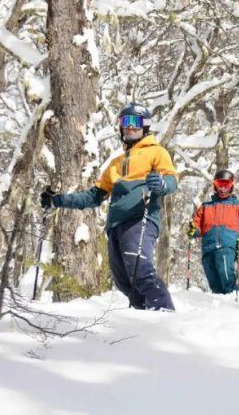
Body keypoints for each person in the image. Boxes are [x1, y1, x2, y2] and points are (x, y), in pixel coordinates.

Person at [40, 103, 177, 310]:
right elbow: (94, 196)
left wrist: (161, 183)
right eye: (125, 122)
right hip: (115, 225)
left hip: (140, 217)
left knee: (140, 270)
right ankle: (145, 320)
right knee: (125, 283)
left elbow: (171, 180)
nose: (129, 127)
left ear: (145, 126)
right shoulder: (116, 163)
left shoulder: (156, 152)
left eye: (135, 122)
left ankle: (165, 313)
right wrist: (57, 200)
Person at [187, 169, 239, 294]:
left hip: (226, 247)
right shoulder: (206, 206)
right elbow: (197, 227)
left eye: (227, 184)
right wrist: (193, 230)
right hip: (208, 249)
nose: (223, 188)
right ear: (215, 184)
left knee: (228, 280)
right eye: (220, 184)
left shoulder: (238, 205)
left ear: (232, 185)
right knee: (215, 286)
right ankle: (221, 305)